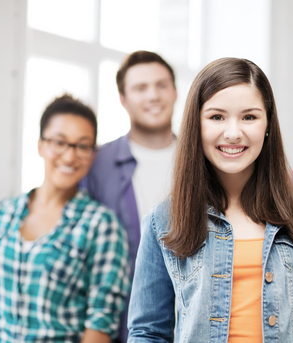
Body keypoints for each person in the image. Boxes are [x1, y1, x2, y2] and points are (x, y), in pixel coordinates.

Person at [127, 57, 293, 342]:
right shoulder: (163, 222)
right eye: (216, 117)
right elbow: (147, 333)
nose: (233, 133)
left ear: (268, 123)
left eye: (249, 117)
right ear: (196, 125)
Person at [0, 95, 129, 342]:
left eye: (82, 145)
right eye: (59, 142)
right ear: (40, 145)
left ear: (93, 154)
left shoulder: (101, 225)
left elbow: (100, 323)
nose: (69, 157)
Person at [81, 50, 178, 342]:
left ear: (175, 92)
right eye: (140, 88)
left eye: (161, 85)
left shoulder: (203, 159)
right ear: (123, 99)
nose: (153, 96)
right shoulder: (97, 164)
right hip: (121, 327)